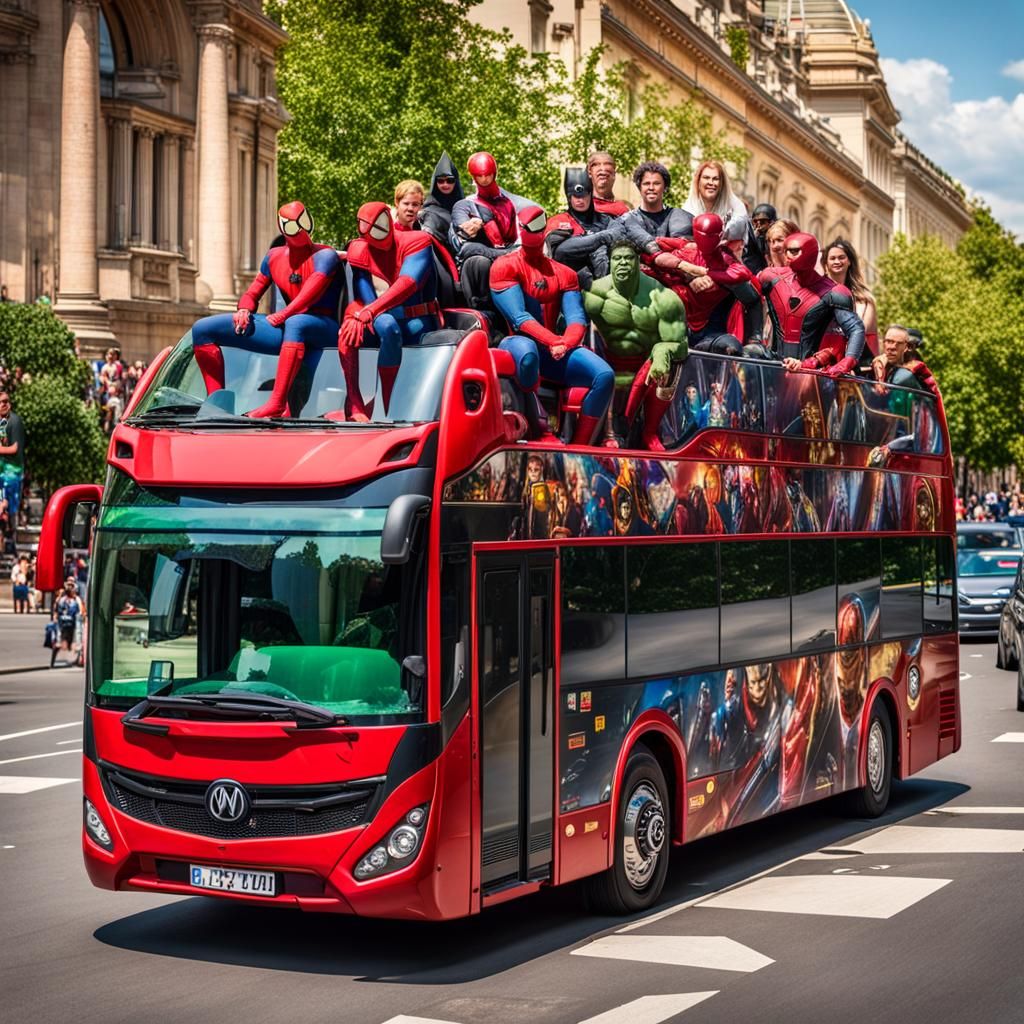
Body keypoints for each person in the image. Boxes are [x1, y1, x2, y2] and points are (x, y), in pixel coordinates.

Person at [191, 201, 342, 417]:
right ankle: (217, 406)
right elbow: (253, 292)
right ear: (283, 228)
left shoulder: (326, 255)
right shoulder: (273, 257)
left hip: (323, 329)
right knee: (203, 329)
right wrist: (243, 310)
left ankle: (277, 402)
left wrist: (283, 314)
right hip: (287, 328)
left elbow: (310, 294)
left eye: (303, 222)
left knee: (296, 321)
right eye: (292, 225)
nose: (299, 230)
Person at [491, 205, 614, 445]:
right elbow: (519, 317)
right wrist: (555, 341)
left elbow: (576, 319)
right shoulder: (505, 266)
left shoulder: (565, 273)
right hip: (517, 343)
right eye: (530, 227)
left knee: (604, 375)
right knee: (527, 355)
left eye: (539, 226)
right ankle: (537, 429)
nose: (535, 233)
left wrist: (565, 344)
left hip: (554, 350)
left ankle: (581, 445)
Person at [336, 202, 440, 420]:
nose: (379, 232)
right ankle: (355, 402)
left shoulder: (417, 241)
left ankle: (388, 406)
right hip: (382, 319)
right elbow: (364, 294)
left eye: (381, 224)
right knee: (355, 328)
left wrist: (370, 311)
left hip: (418, 323)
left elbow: (409, 282)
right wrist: (362, 314)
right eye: (372, 227)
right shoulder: (359, 250)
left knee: (391, 326)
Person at [583, 241, 688, 450]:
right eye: (617, 259)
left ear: (638, 262)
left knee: (669, 360)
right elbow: (573, 327)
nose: (623, 263)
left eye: (628, 258)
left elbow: (680, 345)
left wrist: (663, 349)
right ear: (610, 262)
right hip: (606, 362)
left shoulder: (663, 297)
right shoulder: (595, 294)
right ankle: (604, 434)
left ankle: (650, 432)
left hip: (646, 363)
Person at [652, 213, 766, 358]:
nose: (737, 246)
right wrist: (687, 274)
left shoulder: (726, 263)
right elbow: (649, 253)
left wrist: (755, 340)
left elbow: (749, 291)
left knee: (731, 348)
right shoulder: (682, 252)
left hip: (712, 336)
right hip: (676, 332)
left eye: (739, 242)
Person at [764, 232, 865, 375]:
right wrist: (754, 339)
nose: (787, 255)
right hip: (774, 368)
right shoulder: (771, 277)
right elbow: (748, 299)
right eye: (786, 250)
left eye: (793, 251)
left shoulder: (833, 293)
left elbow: (856, 329)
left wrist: (847, 361)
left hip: (809, 372)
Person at [450, 152, 534, 310]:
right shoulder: (465, 204)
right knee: (476, 257)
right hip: (478, 261)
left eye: (488, 175)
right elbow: (465, 236)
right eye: (480, 176)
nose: (484, 180)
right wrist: (477, 224)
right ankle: (484, 310)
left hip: (507, 253)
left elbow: (514, 237)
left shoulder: (507, 203)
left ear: (494, 174)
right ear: (474, 177)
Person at [545, 168, 624, 287]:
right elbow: (560, 253)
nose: (580, 200)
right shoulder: (558, 221)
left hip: (608, 284)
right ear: (569, 197)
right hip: (570, 286)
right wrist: (601, 238)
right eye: (575, 196)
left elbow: (621, 235)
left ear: (591, 194)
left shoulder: (606, 219)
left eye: (584, 195)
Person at [823, 238, 878, 359]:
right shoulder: (817, 293)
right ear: (825, 263)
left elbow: (862, 332)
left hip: (851, 362)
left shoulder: (864, 300)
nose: (837, 261)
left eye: (841, 257)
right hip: (818, 358)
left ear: (849, 261)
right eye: (832, 258)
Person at [871, 324, 938, 396]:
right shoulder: (882, 365)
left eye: (898, 344)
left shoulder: (905, 374)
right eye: (888, 341)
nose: (891, 347)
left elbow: (881, 397)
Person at [419, 151, 464, 257]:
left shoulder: (464, 207)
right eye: (440, 181)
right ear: (435, 182)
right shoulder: (428, 211)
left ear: (456, 181)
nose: (445, 184)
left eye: (450, 180)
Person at [0, 390, 26, 535]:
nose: (6, 404)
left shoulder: (14, 421)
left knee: (8, 502)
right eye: (2, 402)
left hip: (11, 471)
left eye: (7, 401)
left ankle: (10, 530)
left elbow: (14, 449)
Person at [52, 577, 85, 667]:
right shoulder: (61, 599)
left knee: (73, 640)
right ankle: (58, 658)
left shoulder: (77, 599)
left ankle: (75, 657)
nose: (70, 588)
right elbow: (56, 609)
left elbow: (82, 612)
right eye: (68, 585)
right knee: (61, 639)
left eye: (72, 585)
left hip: (73, 624)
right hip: (63, 623)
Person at [586, 151, 631, 216]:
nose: (603, 168)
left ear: (614, 173)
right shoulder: (581, 207)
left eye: (608, 164)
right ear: (589, 172)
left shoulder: (624, 209)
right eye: (596, 164)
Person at [745, 202, 776, 274]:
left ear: (771, 222)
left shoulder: (778, 238)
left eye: (763, 222)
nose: (758, 226)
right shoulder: (750, 238)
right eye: (755, 222)